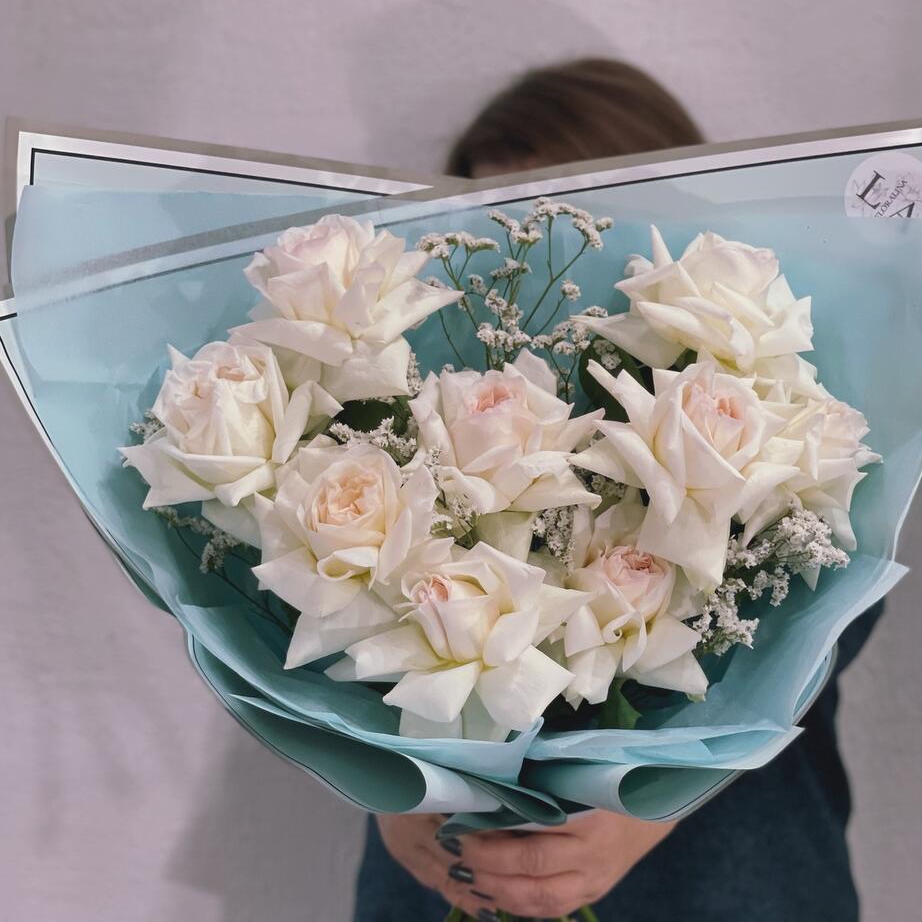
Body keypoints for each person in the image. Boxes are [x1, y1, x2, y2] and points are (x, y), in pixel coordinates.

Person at [353, 57, 880, 922]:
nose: (538, 262)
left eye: (574, 227)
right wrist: (382, 782)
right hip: (447, 873)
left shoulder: (775, 394)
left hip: (723, 878)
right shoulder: (418, 419)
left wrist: (652, 798)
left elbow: (834, 601)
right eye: (502, 230)